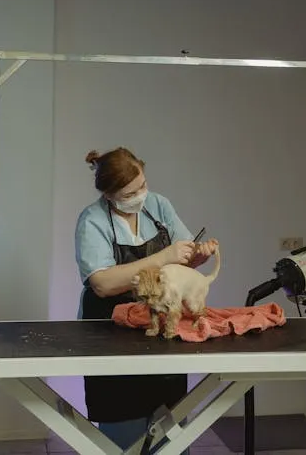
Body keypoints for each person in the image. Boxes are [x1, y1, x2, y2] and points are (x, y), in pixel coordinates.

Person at [74, 146, 219, 450]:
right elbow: (102, 283)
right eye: (130, 192)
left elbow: (182, 260)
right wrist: (163, 257)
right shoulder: (92, 221)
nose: (141, 194)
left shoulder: (158, 206)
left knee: (170, 426)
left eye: (142, 185)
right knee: (123, 430)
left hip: (161, 327)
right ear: (109, 195)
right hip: (112, 333)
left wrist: (197, 258)